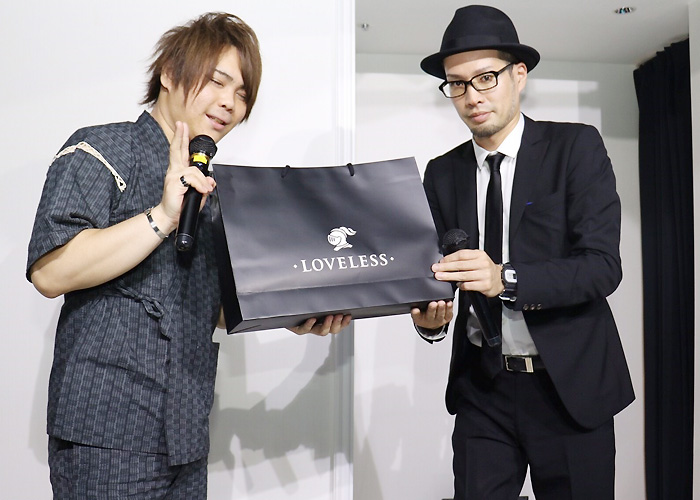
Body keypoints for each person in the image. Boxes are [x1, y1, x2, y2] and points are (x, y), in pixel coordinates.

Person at [27, 12, 350, 499]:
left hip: (185, 434)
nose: (229, 103)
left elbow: (207, 305)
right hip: (104, 432)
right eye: (217, 82)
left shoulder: (212, 192)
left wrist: (292, 316)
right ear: (169, 73)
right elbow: (51, 271)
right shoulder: (101, 147)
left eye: (242, 93)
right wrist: (162, 215)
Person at [410, 5, 635, 499]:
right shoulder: (441, 173)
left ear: (519, 75)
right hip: (482, 389)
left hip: (569, 388)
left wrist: (505, 279)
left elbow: (602, 267)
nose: (471, 96)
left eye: (485, 78)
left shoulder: (575, 147)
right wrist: (431, 321)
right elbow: (437, 276)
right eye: (457, 84)